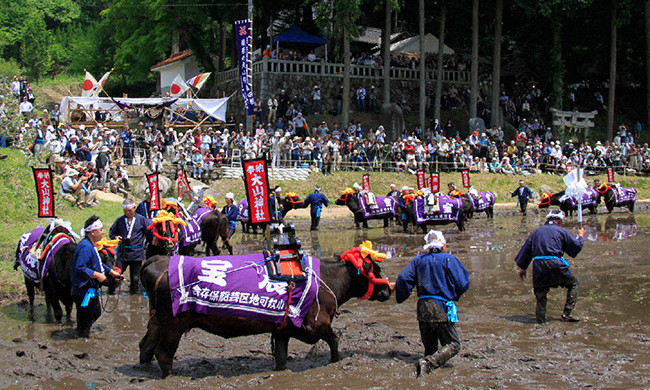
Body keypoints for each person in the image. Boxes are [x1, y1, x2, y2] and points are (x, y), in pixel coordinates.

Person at [391, 230, 470, 375]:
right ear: (443, 246)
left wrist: (401, 292)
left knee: (430, 348)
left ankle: (427, 371)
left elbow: (403, 277)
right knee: (453, 345)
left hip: (422, 307)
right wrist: (453, 296)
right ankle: (428, 363)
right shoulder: (449, 259)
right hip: (440, 306)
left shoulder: (418, 260)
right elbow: (463, 282)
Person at [514, 210, 585, 324]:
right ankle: (567, 313)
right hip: (555, 263)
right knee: (574, 284)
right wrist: (580, 236)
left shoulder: (536, 232)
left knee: (541, 294)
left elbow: (526, 251)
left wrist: (522, 268)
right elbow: (575, 248)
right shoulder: (561, 231)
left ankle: (541, 320)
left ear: (547, 220)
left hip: (539, 266)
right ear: (559, 221)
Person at [71, 216, 122, 337]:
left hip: (90, 289)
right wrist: (97, 275)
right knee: (87, 316)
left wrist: (110, 272)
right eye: (100, 230)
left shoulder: (91, 245)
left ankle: (81, 331)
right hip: (83, 290)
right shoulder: (85, 247)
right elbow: (80, 267)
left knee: (95, 312)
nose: (103, 232)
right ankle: (82, 339)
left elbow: (97, 262)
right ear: (92, 232)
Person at [109, 199, 151, 294]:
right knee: (116, 274)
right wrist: (115, 237)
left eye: (129, 210)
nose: (127, 212)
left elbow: (149, 232)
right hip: (123, 253)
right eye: (125, 211)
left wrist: (148, 242)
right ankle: (111, 291)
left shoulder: (142, 219)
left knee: (135, 278)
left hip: (137, 253)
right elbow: (112, 232)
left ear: (134, 208)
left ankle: (133, 296)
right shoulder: (119, 220)